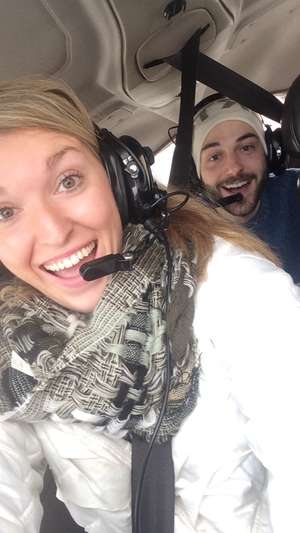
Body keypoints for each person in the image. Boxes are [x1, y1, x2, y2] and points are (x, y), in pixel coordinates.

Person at [0, 77, 299, 533]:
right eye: (5, 212)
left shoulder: (239, 290)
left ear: (121, 177)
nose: (54, 233)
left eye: (68, 181)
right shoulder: (12, 346)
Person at [192, 96, 300, 283]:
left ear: (271, 153)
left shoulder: (295, 191)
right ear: (196, 173)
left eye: (247, 147)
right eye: (215, 157)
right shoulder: (192, 239)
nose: (234, 168)